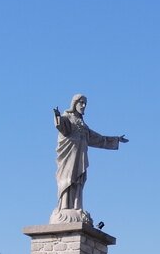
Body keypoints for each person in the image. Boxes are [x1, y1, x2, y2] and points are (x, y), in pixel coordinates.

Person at [51, 94, 128, 223]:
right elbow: (62, 127)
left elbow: (98, 139)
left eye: (85, 104)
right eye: (81, 103)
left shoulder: (83, 126)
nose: (83, 106)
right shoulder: (67, 117)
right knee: (68, 179)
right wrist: (57, 117)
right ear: (74, 103)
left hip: (80, 158)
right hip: (68, 158)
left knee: (79, 180)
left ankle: (76, 207)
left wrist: (116, 139)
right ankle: (64, 207)